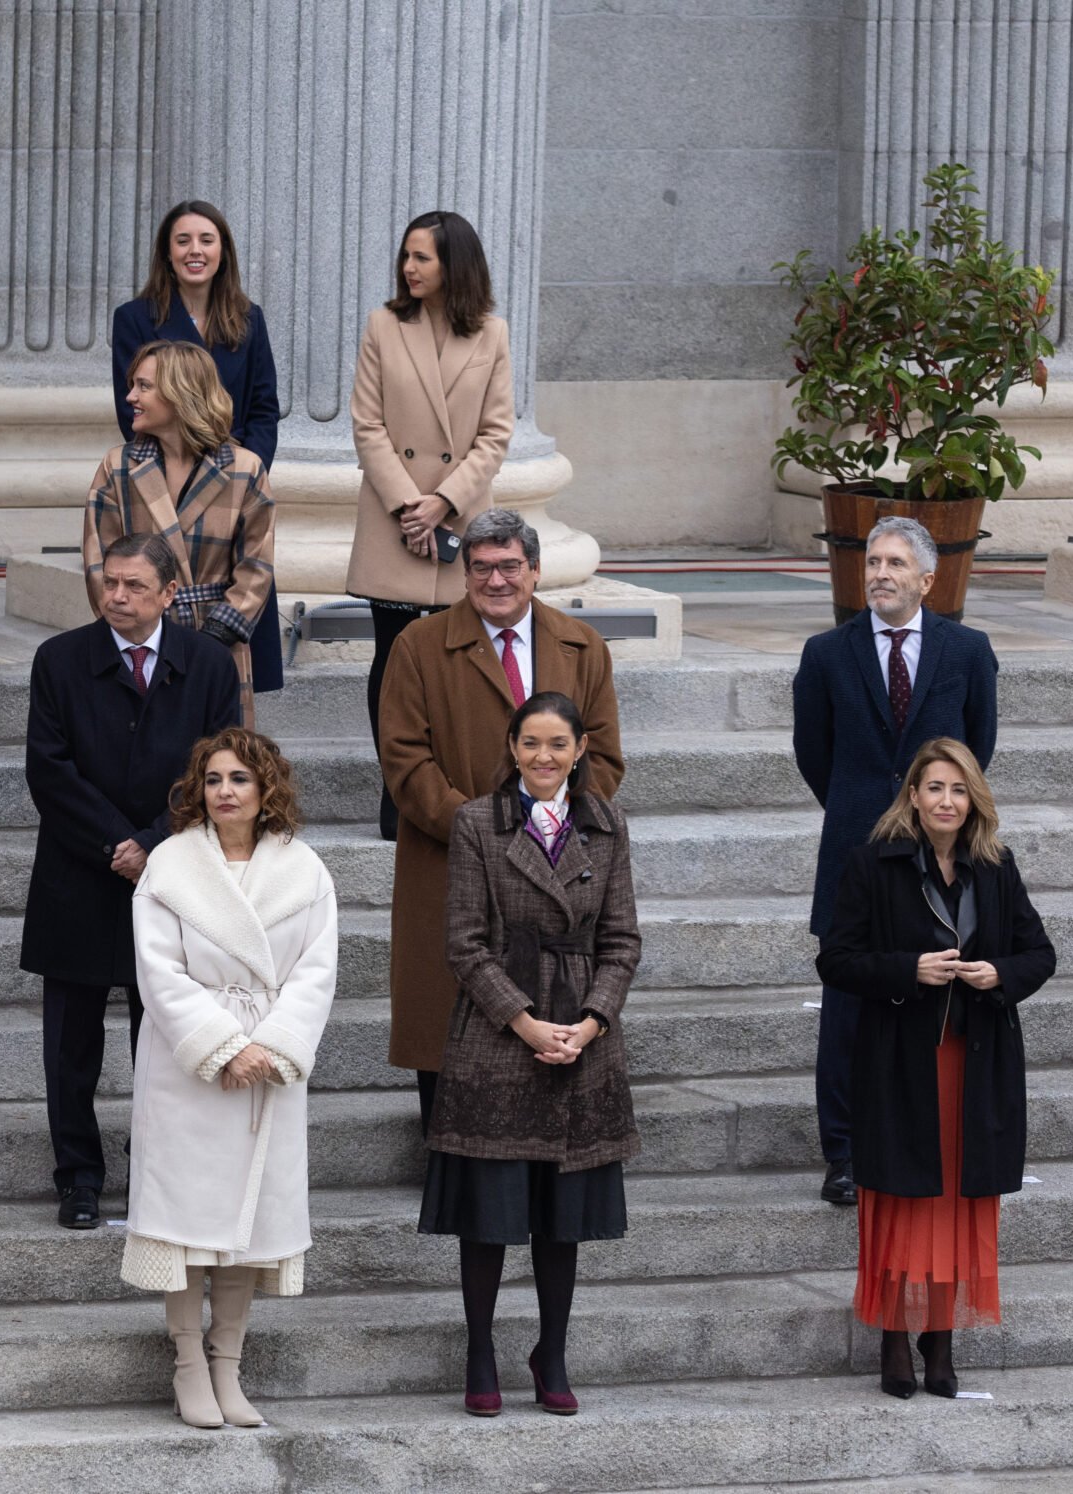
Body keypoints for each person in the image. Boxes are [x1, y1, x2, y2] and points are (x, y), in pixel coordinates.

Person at [421, 691, 642, 1419]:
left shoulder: (607, 826)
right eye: (530, 743)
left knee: (561, 1214)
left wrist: (590, 1023)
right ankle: (479, 1348)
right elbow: (464, 943)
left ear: (581, 751)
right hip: (497, 1036)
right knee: (491, 1211)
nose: (544, 758)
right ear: (511, 748)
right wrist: (523, 1022)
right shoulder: (479, 822)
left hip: (580, 1038)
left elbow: (621, 942)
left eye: (558, 744)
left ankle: (552, 1349)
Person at [818, 738, 1053, 1398]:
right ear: (913, 797)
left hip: (975, 1070)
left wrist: (999, 972)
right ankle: (895, 1338)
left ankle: (940, 1339)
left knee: (957, 1205)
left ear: (972, 798)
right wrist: (906, 969)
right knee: (900, 1202)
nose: (946, 800)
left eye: (958, 789)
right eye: (934, 788)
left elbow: (1041, 954)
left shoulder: (996, 867)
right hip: (901, 1068)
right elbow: (836, 960)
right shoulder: (872, 864)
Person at [21, 532, 241, 1230]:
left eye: (134, 586)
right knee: (71, 1047)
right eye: (108, 583)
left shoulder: (206, 665)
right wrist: (115, 843)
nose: (116, 596)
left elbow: (221, 769)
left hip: (171, 879)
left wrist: (152, 843)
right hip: (79, 875)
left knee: (166, 1041)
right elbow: (48, 770)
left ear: (170, 594)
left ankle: (159, 1169)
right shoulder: (59, 660)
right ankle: (78, 1179)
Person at [380, 509, 624, 1132]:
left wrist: (550, 828)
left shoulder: (582, 645)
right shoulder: (419, 647)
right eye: (482, 568)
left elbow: (604, 755)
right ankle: (447, 1151)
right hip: (451, 861)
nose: (496, 581)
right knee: (449, 1008)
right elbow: (405, 761)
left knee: (545, 1005)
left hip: (558, 866)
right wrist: (482, 832)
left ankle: (539, 1150)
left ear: (535, 570)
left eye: (510, 566)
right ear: (464, 576)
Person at [126, 728, 337, 1429]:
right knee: (186, 1223)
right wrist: (222, 1046)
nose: (225, 792)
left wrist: (271, 1045)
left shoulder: (304, 869)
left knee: (244, 1223)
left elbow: (316, 969)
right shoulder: (170, 866)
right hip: (190, 1067)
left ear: (266, 786)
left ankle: (228, 1366)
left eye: (240, 779)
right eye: (213, 780)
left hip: (269, 1066)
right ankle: (188, 1364)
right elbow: (158, 971)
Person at [794, 516, 1000, 1207]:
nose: (879, 574)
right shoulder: (826, 653)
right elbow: (815, 755)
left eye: (894, 564)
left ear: (928, 579)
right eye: (872, 562)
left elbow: (976, 752)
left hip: (940, 861)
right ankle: (845, 1155)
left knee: (931, 1007)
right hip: (854, 856)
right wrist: (873, 820)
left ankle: (922, 1145)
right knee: (847, 1009)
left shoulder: (968, 652)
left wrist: (929, 821)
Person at [345, 210, 513, 840]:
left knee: (457, 658)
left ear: (454, 265)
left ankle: (449, 790)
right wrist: (407, 505)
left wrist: (443, 502)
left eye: (423, 258)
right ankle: (399, 795)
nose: (409, 268)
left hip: (458, 520)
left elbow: (495, 433)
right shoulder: (384, 326)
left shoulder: (492, 335)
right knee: (392, 657)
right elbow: (367, 425)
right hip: (396, 519)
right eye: (406, 256)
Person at [111, 200, 285, 702]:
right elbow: (133, 414)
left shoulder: (248, 319)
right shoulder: (136, 318)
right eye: (183, 240)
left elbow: (263, 408)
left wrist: (240, 477)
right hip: (165, 488)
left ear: (223, 251)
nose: (195, 251)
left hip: (231, 493)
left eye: (206, 240)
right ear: (166, 254)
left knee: (230, 656)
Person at [84, 340, 276, 726]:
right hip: (139, 644)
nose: (130, 397)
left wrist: (211, 641)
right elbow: (98, 558)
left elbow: (256, 567)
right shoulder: (118, 467)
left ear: (179, 394)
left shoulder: (245, 469)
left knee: (215, 763)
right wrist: (137, 628)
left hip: (217, 645)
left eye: (143, 386)